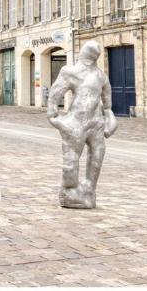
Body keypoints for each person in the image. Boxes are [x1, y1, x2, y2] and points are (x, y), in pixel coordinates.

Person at [47, 41, 116, 208]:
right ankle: (69, 192)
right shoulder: (70, 72)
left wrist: (110, 120)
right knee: (71, 159)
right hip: (75, 122)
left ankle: (89, 190)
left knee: (97, 155)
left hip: (96, 123)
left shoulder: (101, 76)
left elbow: (107, 106)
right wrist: (57, 120)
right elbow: (54, 97)